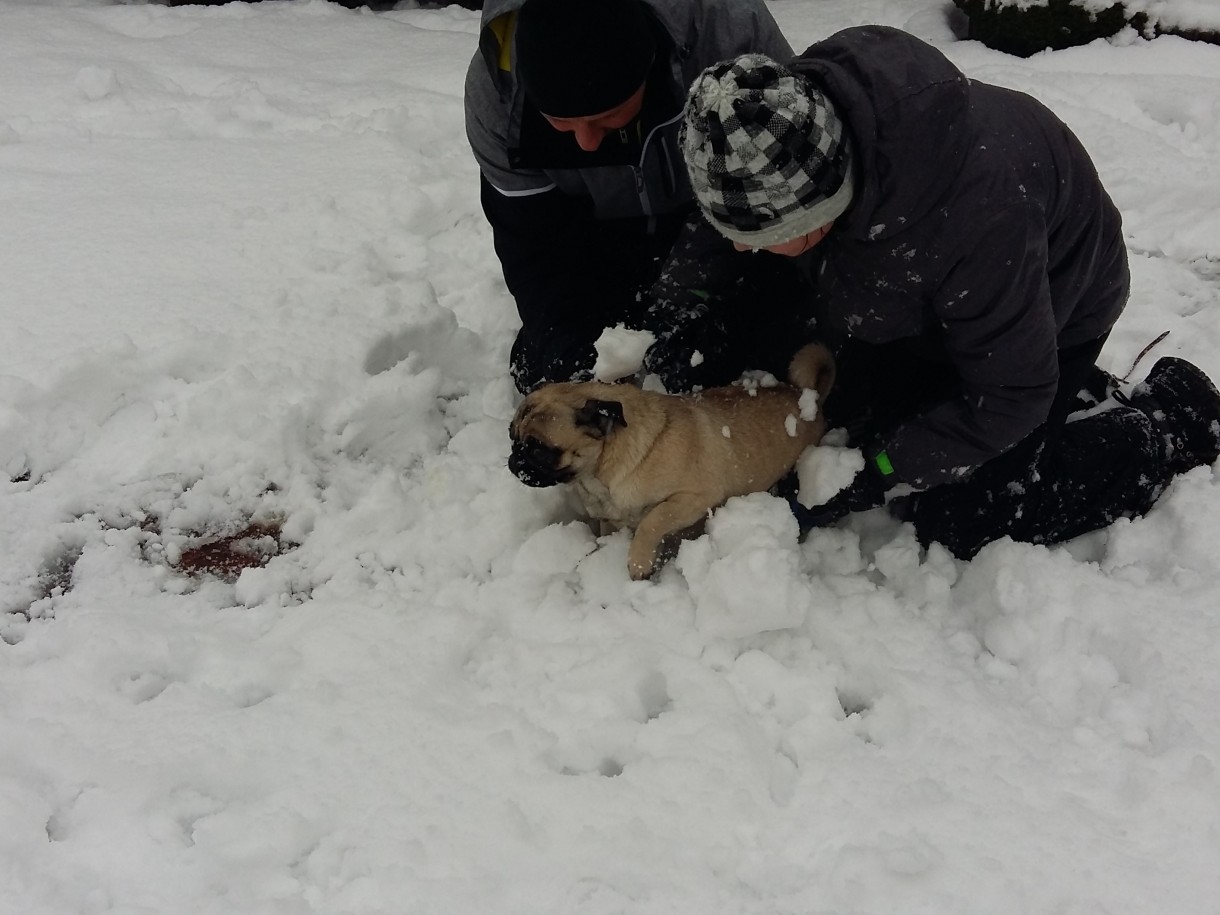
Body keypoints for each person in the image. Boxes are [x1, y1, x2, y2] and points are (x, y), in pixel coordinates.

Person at [665, 26, 1220, 559]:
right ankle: (1037, 389)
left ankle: (1166, 420)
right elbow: (726, 219)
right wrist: (674, 313)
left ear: (818, 213)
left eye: (762, 236)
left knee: (969, 518)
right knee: (845, 407)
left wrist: (878, 474)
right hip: (921, 299)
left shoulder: (975, 215)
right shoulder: (786, 130)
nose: (741, 248)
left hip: (1057, 307)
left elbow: (1012, 394)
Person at [463, 0, 804, 394]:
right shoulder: (496, 95)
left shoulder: (730, 35)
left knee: (722, 357)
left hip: (718, 225)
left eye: (606, 118)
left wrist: (689, 292)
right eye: (559, 123)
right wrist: (569, 348)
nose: (587, 143)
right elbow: (533, 246)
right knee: (552, 369)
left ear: (649, 68)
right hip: (596, 237)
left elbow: (788, 176)